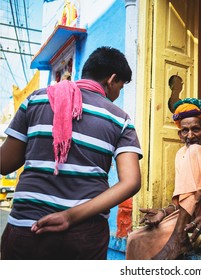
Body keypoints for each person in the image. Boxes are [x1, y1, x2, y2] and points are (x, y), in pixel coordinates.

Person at [0, 46, 143, 260]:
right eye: (120, 87)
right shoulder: (120, 119)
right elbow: (131, 182)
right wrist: (70, 216)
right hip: (84, 234)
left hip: (27, 228)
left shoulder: (35, 100)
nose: (117, 94)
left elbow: (5, 164)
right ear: (111, 79)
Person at [126, 98, 201, 260]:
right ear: (180, 134)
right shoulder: (181, 154)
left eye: (196, 129)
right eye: (185, 131)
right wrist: (164, 212)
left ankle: (177, 238)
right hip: (184, 217)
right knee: (135, 239)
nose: (190, 135)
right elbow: (181, 201)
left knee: (195, 150)